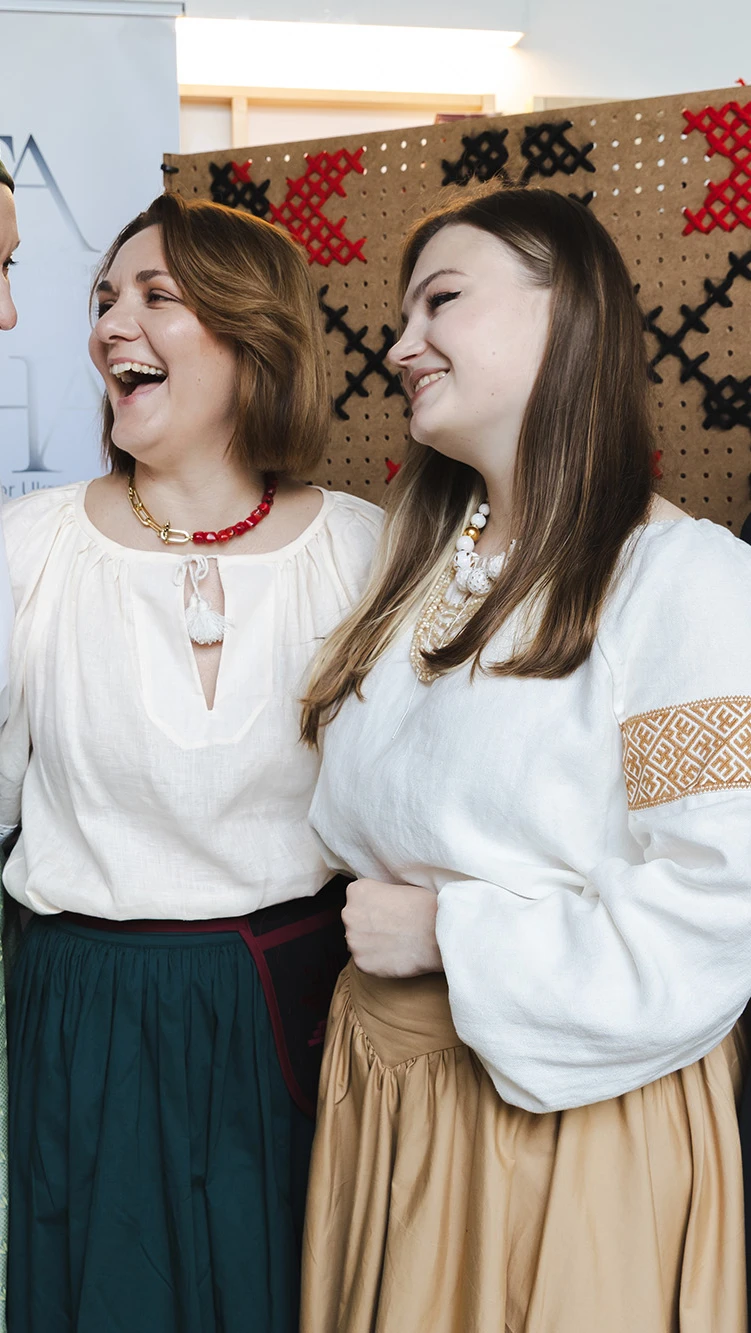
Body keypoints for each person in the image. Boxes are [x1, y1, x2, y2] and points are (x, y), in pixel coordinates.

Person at [299, 185, 751, 1333]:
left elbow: (720, 898)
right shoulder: (408, 578)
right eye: (401, 314)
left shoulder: (684, 583)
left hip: (566, 1118)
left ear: (569, 315)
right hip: (391, 1099)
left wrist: (451, 934)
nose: (401, 344)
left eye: (440, 301)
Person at [0, 191, 381, 1333]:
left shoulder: (362, 547)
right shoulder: (30, 548)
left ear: (249, 332)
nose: (113, 323)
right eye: (104, 298)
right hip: (88, 1012)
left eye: (156, 296)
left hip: (302, 1008)